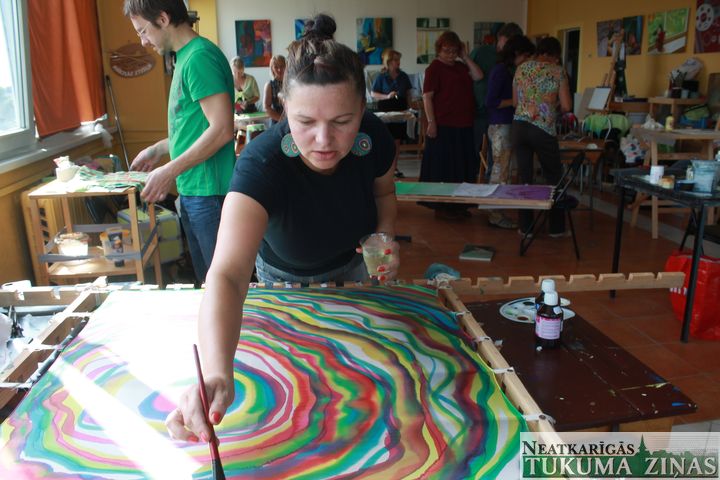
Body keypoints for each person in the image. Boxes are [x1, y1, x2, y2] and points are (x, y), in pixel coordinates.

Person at [165, 14, 398, 443]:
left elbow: (384, 194)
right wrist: (217, 371)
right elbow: (228, 274)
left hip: (355, 274)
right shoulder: (261, 164)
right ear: (284, 107)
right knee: (299, 394)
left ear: (362, 111)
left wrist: (384, 237)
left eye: (342, 121)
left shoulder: (376, 139)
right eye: (306, 122)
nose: (324, 140)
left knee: (364, 392)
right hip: (283, 282)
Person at [124, 0, 235, 284]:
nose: (143, 41)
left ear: (162, 19)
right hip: (194, 190)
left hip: (208, 193)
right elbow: (195, 129)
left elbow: (222, 129)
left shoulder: (199, 58)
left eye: (143, 31)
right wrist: (159, 149)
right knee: (208, 283)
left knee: (221, 287)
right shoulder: (185, 57)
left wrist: (169, 171)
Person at [511, 36, 572, 237]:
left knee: (524, 177)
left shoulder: (521, 68)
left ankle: (526, 227)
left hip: (519, 127)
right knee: (553, 177)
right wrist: (550, 106)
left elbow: (515, 102)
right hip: (543, 129)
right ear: (554, 55)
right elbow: (567, 106)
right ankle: (556, 228)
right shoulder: (558, 71)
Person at [419, 31, 483, 219]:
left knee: (462, 166)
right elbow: (427, 97)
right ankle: (443, 207)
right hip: (444, 124)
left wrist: (464, 56)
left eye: (454, 51)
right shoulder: (434, 68)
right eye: (447, 50)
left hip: (464, 123)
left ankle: (459, 205)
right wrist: (431, 122)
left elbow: (478, 76)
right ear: (439, 50)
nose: (450, 54)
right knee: (444, 167)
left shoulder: (461, 66)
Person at [484, 35, 535, 230]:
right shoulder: (500, 71)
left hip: (506, 125)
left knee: (503, 170)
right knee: (500, 171)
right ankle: (495, 214)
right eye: (526, 56)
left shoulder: (509, 71)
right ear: (517, 53)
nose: (528, 60)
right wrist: (515, 102)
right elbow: (490, 101)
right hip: (500, 126)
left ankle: (496, 211)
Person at [469, 22, 523, 180]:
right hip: (484, 114)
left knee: (498, 163)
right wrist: (515, 101)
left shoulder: (511, 64)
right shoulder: (489, 59)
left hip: (503, 117)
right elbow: (490, 100)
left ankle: (489, 185)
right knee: (483, 158)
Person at [371, 49, 413, 178]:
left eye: (399, 59)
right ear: (388, 61)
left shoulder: (403, 76)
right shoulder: (381, 76)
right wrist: (387, 96)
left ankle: (394, 168)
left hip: (400, 111)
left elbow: (408, 93)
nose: (398, 62)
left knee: (396, 142)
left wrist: (410, 108)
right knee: (384, 141)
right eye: (395, 60)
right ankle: (383, 169)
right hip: (385, 111)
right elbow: (373, 94)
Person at [263, 54, 286, 124]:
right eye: (276, 67)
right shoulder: (269, 85)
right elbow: (266, 107)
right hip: (277, 122)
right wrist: (282, 120)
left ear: (286, 66)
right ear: (272, 68)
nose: (279, 70)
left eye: (282, 66)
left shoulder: (291, 83)